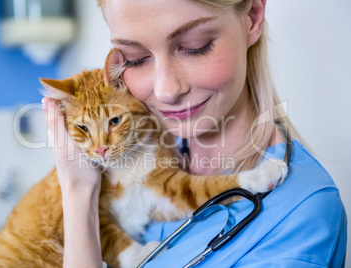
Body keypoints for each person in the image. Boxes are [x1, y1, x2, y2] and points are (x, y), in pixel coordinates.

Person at [41, 0, 347, 267]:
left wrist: (79, 201)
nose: (166, 90)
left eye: (194, 46)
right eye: (134, 58)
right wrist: (78, 192)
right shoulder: (137, 154)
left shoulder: (302, 214)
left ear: (252, 17)